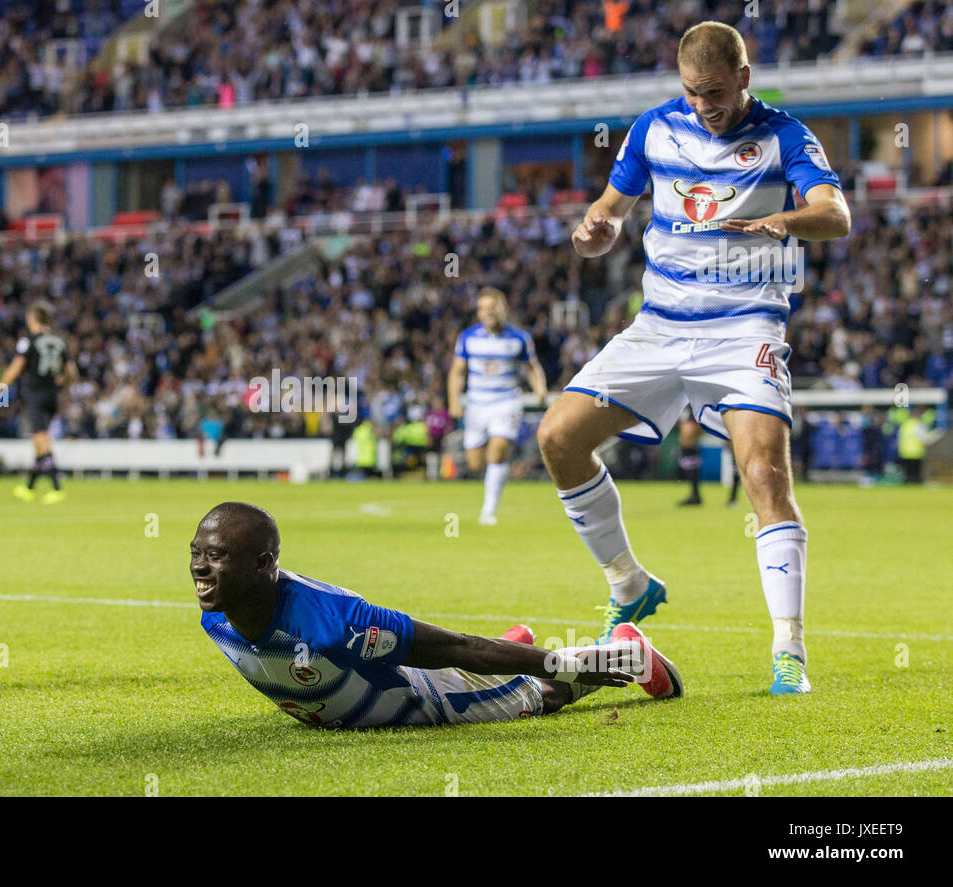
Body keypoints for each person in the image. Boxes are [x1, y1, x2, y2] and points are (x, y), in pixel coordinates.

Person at [541, 22, 850, 694]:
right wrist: (593, 230)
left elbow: (836, 214)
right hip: (659, 325)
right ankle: (629, 582)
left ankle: (788, 651)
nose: (704, 104)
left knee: (765, 473)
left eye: (715, 91)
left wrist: (785, 221)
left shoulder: (784, 135)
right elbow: (610, 212)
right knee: (557, 436)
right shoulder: (654, 128)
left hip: (743, 329)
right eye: (692, 91)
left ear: (744, 76)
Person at [192, 502, 681, 729]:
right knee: (468, 664)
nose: (198, 567)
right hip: (371, 688)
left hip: (422, 694)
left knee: (542, 695)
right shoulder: (216, 614)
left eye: (214, 556)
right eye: (196, 552)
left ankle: (628, 654)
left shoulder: (333, 623)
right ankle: (499, 658)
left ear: (262, 565)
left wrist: (560, 663)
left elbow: (453, 647)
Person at [448, 287, 548, 525]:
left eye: (492, 308)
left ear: (503, 309)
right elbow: (457, 372)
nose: (488, 313)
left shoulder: (519, 338)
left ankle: (488, 510)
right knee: (475, 462)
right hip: (476, 405)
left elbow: (532, 366)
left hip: (506, 402)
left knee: (498, 450)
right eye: (483, 309)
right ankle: (492, 483)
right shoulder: (468, 338)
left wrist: (540, 389)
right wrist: (453, 400)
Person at [0, 300, 77, 504]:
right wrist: (61, 381)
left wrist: (2, 384)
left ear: (33, 319)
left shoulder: (29, 341)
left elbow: (17, 365)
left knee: (42, 441)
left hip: (35, 394)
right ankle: (29, 487)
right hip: (52, 396)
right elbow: (71, 373)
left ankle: (57, 487)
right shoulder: (60, 341)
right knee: (39, 443)